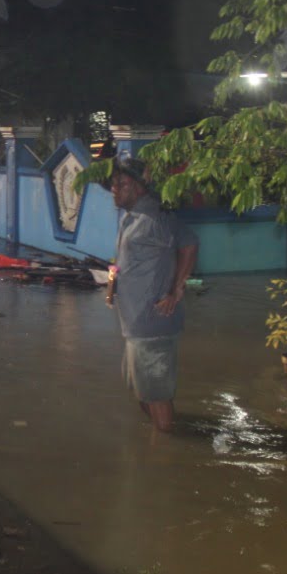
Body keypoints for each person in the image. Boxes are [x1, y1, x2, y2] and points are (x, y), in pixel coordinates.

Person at [107, 154, 198, 433]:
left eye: (121, 184)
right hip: (135, 323)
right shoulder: (133, 217)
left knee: (156, 395)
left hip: (152, 322)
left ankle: (168, 450)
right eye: (113, 184)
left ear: (137, 187)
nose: (114, 189)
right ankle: (163, 437)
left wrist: (176, 289)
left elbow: (189, 244)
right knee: (142, 390)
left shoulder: (155, 216)